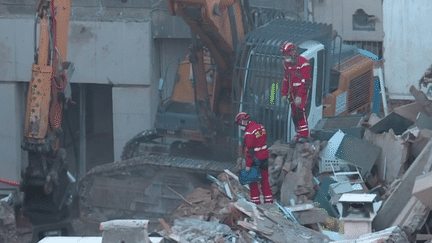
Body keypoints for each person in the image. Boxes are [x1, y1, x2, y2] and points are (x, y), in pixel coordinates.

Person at [235, 112, 273, 205]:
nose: (240, 127)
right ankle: (268, 201)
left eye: (240, 124)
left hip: (255, 159)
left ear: (243, 122)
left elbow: (249, 151)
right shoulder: (261, 127)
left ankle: (256, 203)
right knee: (265, 181)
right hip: (264, 157)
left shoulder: (249, 133)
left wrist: (248, 165)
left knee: (253, 182)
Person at [281, 42, 311, 143]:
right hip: (292, 92)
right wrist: (284, 94)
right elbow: (285, 79)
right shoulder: (287, 64)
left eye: (287, 55)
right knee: (294, 114)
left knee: (300, 111)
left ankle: (305, 134)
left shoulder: (303, 63)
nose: (286, 57)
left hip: (300, 92)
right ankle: (299, 133)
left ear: (293, 52)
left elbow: (306, 81)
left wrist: (300, 96)